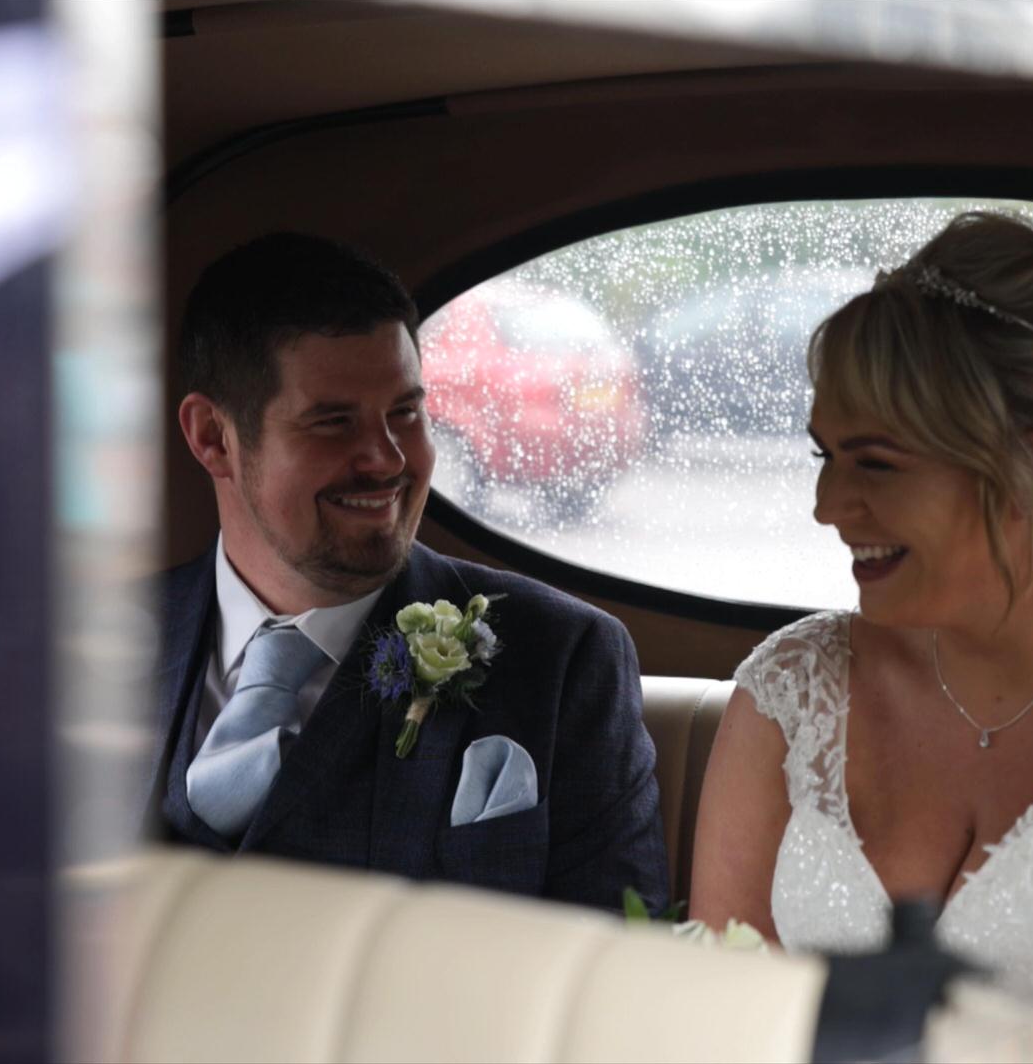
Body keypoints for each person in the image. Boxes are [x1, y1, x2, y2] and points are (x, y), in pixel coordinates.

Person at [151, 232, 669, 912]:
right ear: (213, 437)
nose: (387, 459)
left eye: (406, 412)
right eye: (332, 423)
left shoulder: (563, 660)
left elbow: (620, 968)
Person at [689, 212, 1033, 1000]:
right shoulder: (792, 690)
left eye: (876, 463)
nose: (827, 506)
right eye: (825, 456)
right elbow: (716, 1016)